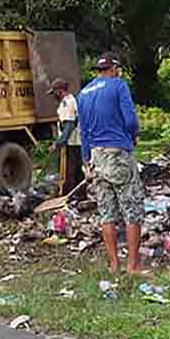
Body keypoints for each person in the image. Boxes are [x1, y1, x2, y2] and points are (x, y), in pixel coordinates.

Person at [77, 53, 145, 275]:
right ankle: (133, 266)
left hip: (96, 157)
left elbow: (84, 132)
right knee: (131, 209)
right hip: (118, 154)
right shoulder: (118, 86)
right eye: (118, 69)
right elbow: (130, 120)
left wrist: (87, 160)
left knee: (106, 213)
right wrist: (134, 134)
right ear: (114, 68)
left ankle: (114, 265)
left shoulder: (83, 94)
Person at [48, 79, 83, 196]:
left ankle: (69, 196)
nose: (53, 96)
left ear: (60, 91)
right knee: (77, 170)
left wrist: (58, 143)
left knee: (69, 171)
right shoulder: (69, 101)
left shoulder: (67, 103)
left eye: (54, 93)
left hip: (71, 142)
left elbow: (69, 125)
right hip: (76, 141)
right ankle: (80, 195)